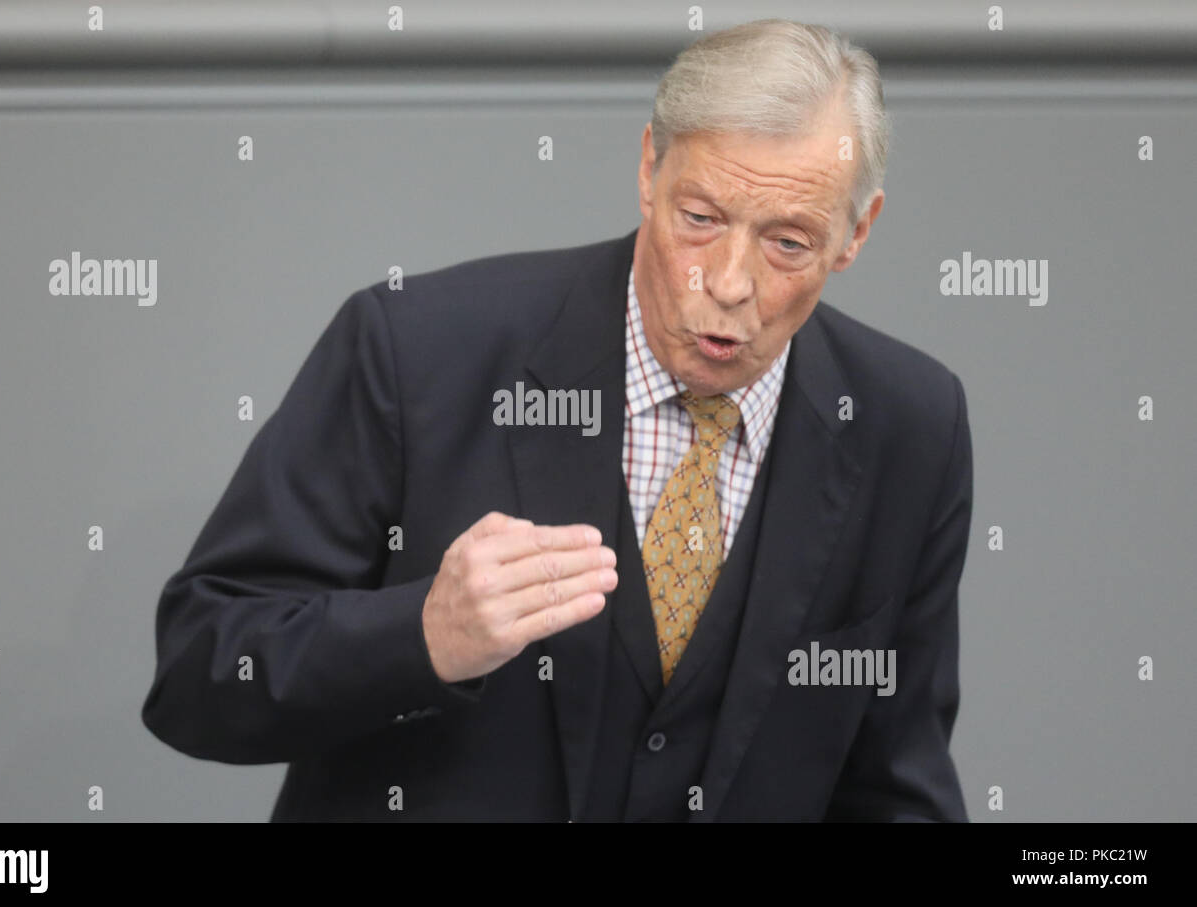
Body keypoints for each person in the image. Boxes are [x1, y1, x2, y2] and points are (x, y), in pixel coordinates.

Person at [141, 18, 973, 822]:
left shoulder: (910, 426)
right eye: (701, 218)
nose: (726, 282)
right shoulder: (415, 348)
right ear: (649, 167)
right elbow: (198, 672)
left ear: (855, 233)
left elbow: (897, 790)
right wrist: (421, 633)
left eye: (787, 242)